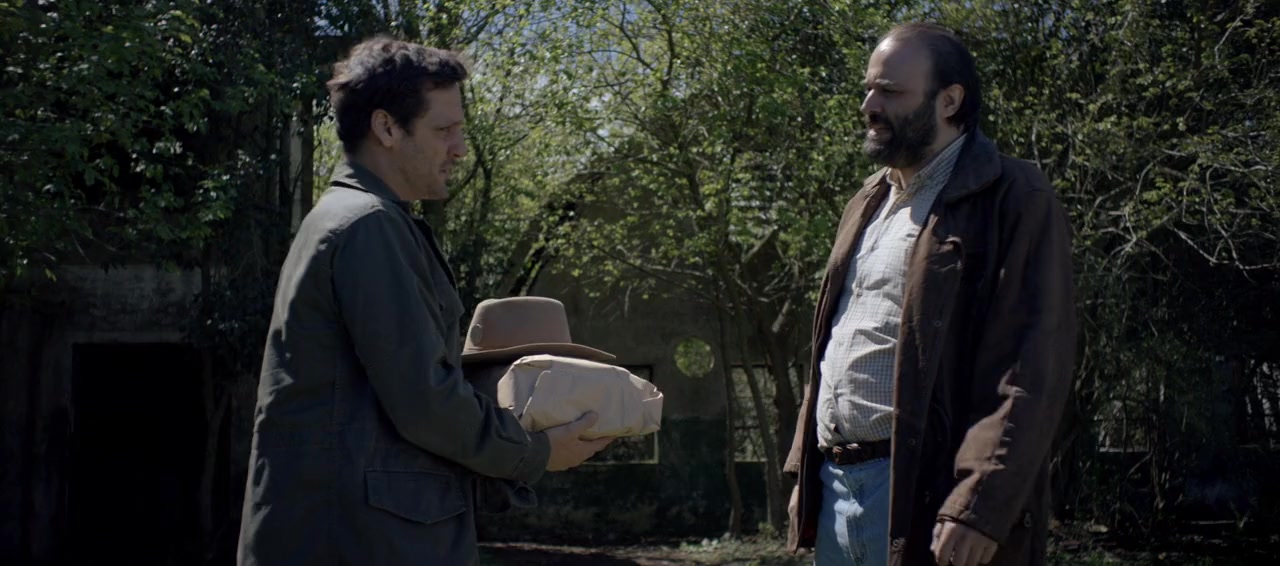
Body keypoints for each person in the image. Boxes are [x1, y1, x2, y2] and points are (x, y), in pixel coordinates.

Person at [236, 37, 611, 566]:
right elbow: (425, 402)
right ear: (387, 128)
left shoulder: (356, 220)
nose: (460, 149)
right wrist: (536, 452)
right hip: (360, 543)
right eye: (443, 130)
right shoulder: (368, 227)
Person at [784, 23, 1077, 566]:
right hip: (836, 491)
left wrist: (979, 504)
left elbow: (1032, 367)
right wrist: (808, 470)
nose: (869, 106)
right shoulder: (867, 201)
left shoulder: (1014, 197)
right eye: (868, 90)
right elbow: (833, 344)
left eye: (890, 91)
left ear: (949, 101)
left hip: (928, 497)